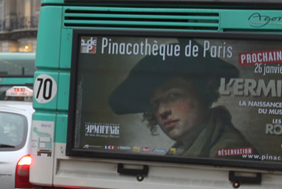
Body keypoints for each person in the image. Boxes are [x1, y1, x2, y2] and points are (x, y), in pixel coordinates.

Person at [108, 53, 253, 159]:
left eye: (173, 96)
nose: (162, 111)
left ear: (203, 93)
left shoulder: (230, 152)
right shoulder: (186, 147)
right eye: (155, 103)